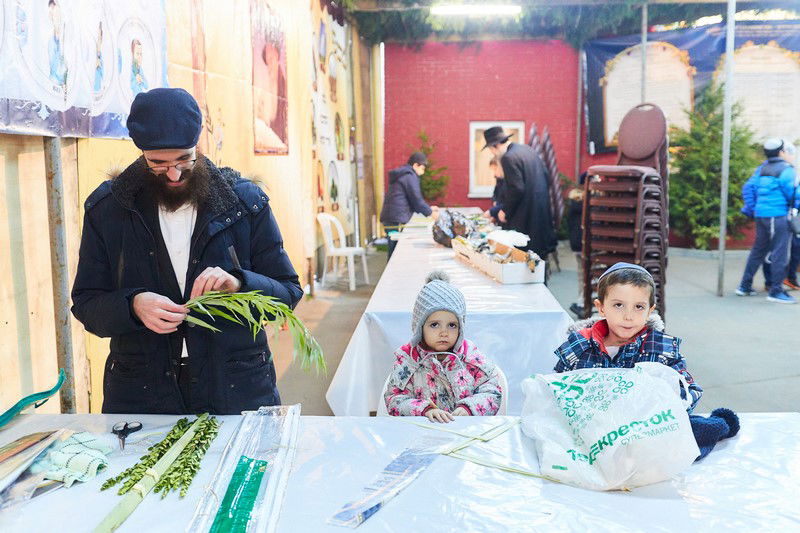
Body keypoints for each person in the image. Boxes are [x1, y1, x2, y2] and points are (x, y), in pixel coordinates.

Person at [71, 88, 303, 415]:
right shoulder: (109, 210)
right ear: (140, 154)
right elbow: (87, 303)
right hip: (142, 394)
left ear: (198, 147)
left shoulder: (244, 204)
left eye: (184, 159)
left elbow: (288, 294)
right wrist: (133, 305)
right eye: (158, 164)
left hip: (236, 390)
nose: (174, 174)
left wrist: (239, 284)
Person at [553, 263, 702, 412]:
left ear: (650, 311)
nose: (628, 316)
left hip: (643, 430)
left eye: (639, 307)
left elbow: (691, 391)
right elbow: (556, 389)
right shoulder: (579, 347)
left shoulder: (662, 350)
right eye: (618, 305)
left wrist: (668, 399)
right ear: (601, 308)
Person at [384, 271, 503, 423]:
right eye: (434, 325)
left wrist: (469, 408)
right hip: (422, 435)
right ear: (420, 327)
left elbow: (492, 392)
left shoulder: (471, 357)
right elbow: (393, 399)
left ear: (461, 328)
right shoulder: (409, 361)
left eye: (452, 325)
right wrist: (425, 410)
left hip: (465, 434)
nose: (444, 332)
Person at [736, 138, 798, 303]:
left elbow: (749, 188)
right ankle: (776, 291)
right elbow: (793, 194)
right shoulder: (786, 170)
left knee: (758, 251)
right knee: (779, 252)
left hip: (762, 215)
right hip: (777, 216)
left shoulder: (762, 168)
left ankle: (745, 286)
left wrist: (752, 208)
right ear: (782, 152)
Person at [485, 126, 557, 259]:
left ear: (494, 146)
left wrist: (505, 211)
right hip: (541, 215)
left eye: (491, 150)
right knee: (539, 260)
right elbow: (547, 176)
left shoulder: (508, 157)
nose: (493, 154)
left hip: (526, 218)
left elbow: (517, 189)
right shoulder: (527, 150)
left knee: (525, 261)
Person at [379, 151, 439, 259]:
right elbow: (416, 200)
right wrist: (431, 213)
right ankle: (392, 274)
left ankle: (392, 273)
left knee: (394, 250)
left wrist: (428, 209)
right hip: (396, 220)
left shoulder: (405, 175)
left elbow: (411, 200)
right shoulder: (409, 176)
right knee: (395, 253)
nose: (423, 172)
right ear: (416, 165)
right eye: (422, 168)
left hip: (392, 217)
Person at [483, 156, 505, 225]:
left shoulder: (508, 182)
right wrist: (495, 201)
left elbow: (506, 202)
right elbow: (495, 194)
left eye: (495, 169)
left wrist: (491, 212)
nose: (494, 174)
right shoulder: (499, 180)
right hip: (498, 215)